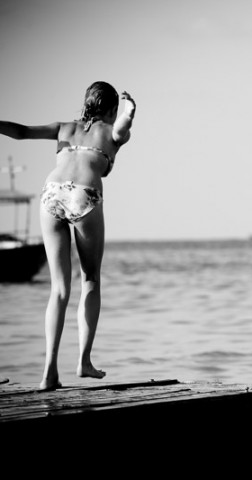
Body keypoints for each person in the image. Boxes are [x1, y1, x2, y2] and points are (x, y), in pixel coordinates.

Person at [0, 81, 136, 391]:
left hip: (51, 193)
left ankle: (49, 373)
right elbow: (124, 127)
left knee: (58, 288)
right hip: (83, 196)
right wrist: (131, 110)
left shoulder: (64, 127)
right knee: (90, 280)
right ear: (112, 110)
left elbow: (20, 132)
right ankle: (84, 361)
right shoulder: (113, 131)